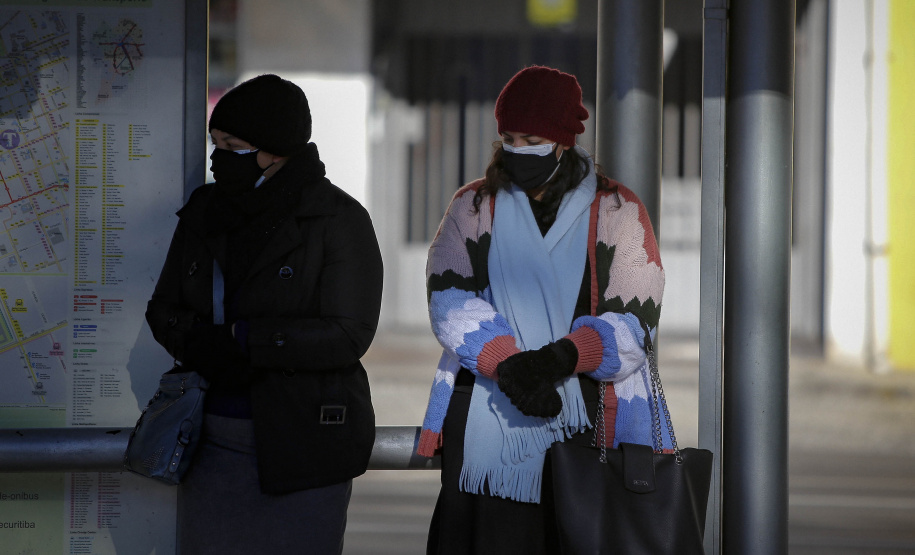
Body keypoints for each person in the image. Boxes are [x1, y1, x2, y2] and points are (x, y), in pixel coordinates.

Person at [417, 65, 669, 554]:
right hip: (489, 408)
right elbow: (447, 299)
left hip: (589, 423)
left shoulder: (618, 210)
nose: (517, 149)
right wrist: (509, 364)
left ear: (562, 142)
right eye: (509, 138)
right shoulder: (473, 206)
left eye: (531, 140)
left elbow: (635, 320)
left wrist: (557, 360)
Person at [145, 74, 383, 554]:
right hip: (209, 439)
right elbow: (164, 308)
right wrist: (199, 343)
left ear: (276, 151)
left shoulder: (337, 218)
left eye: (233, 146)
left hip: (305, 446)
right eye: (215, 143)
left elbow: (348, 332)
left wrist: (246, 340)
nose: (218, 157)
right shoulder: (205, 210)